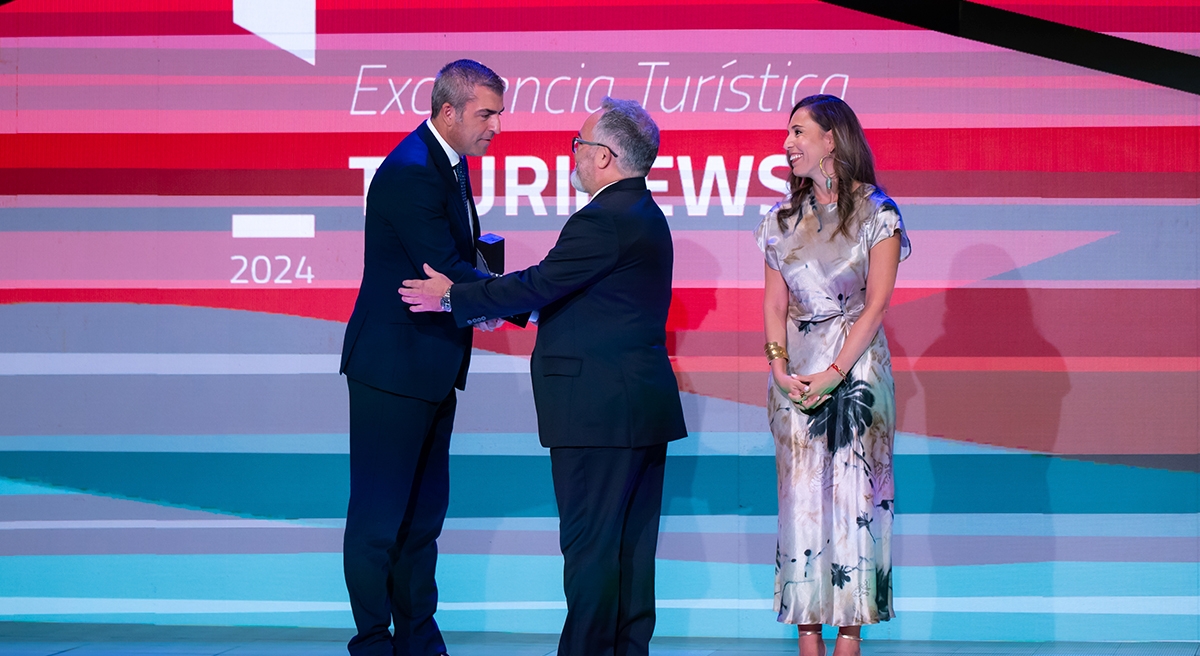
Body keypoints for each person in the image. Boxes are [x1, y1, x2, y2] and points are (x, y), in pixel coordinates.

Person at [399, 97, 687, 656]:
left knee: (591, 550)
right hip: (634, 409)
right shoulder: (640, 214)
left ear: (604, 156)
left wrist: (454, 295)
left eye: (578, 145)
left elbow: (541, 284)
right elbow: (567, 294)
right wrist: (493, 298)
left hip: (598, 413)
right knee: (626, 550)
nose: (573, 156)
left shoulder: (604, 218)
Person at [338, 59, 505, 656]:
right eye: (486, 114)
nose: (496, 127)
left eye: (498, 114)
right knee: (380, 520)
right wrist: (524, 303)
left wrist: (492, 291)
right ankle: (373, 643)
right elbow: (445, 268)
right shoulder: (412, 171)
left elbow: (460, 269)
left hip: (430, 368)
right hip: (392, 369)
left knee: (422, 520)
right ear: (448, 111)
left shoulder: (448, 167)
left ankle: (417, 641)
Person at [757, 94, 910, 656]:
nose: (787, 142)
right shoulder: (778, 221)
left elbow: (875, 306)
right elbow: (775, 306)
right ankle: (806, 638)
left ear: (832, 140)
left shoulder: (879, 213)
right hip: (795, 376)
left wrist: (835, 371)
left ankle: (850, 638)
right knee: (800, 503)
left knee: (854, 504)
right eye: (787, 132)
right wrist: (778, 367)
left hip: (858, 373)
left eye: (798, 131)